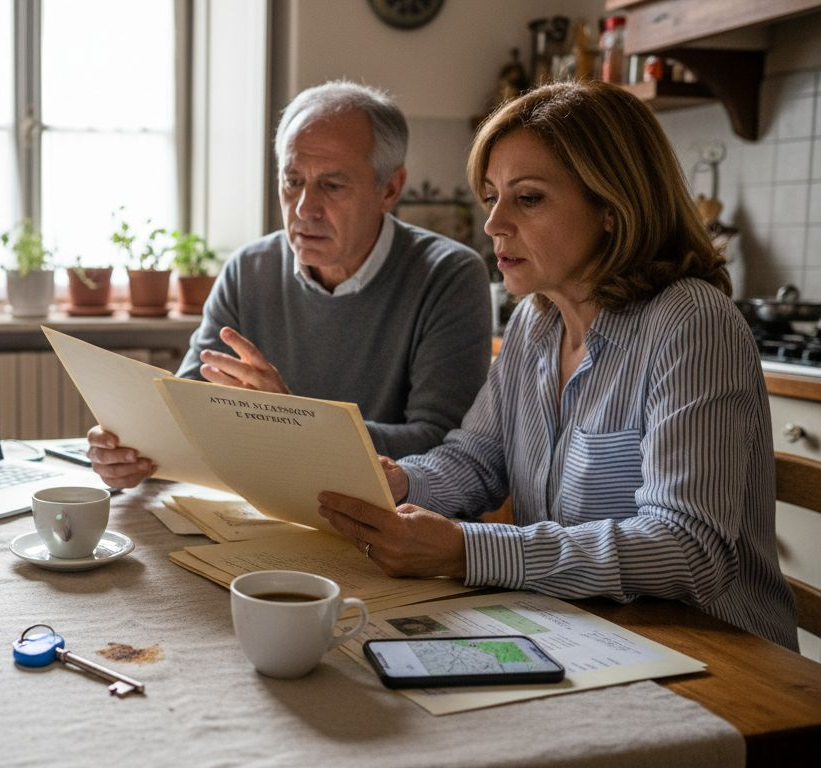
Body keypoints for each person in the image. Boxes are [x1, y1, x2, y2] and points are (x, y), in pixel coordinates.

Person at [317, 80, 798, 649]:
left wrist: (467, 550)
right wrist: (401, 481)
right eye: (492, 196)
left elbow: (688, 548)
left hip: (716, 656)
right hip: (579, 632)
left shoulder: (691, 322)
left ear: (612, 207)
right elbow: (478, 459)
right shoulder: (535, 322)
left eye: (528, 198)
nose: (493, 224)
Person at [89, 81, 493, 489]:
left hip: (378, 515)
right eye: (293, 180)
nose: (304, 208)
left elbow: (443, 443)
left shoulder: (448, 275)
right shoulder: (249, 269)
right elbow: (190, 407)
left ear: (389, 189)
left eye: (332, 186)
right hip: (256, 504)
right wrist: (134, 450)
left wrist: (293, 422)